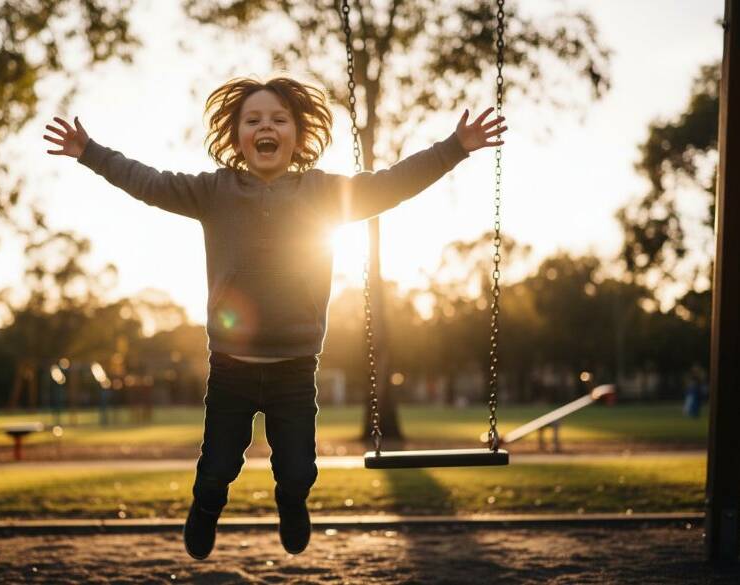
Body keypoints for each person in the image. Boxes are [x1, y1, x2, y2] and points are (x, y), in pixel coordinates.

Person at [43, 75, 507, 560]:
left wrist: (456, 147)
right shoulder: (213, 192)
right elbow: (150, 183)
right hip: (230, 366)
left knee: (299, 468)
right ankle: (205, 508)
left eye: (279, 119)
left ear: (298, 135)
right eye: (254, 120)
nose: (267, 126)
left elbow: (390, 185)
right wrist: (90, 152)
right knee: (219, 463)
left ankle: (291, 502)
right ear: (237, 135)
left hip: (294, 365)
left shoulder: (323, 192)